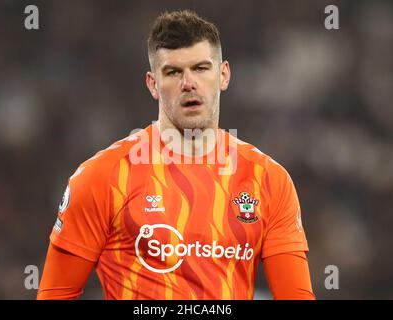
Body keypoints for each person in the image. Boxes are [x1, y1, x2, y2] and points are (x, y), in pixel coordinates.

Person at [37, 10, 315, 300]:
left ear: (223, 75)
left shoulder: (270, 181)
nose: (188, 83)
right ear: (153, 84)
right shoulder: (102, 178)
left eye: (201, 68)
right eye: (173, 72)